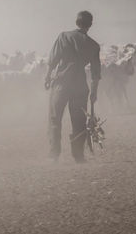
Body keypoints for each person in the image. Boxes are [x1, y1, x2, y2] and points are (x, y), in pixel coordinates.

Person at [44, 11, 101, 163]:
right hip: (80, 85)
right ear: (90, 25)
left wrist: (47, 76)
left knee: (55, 118)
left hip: (61, 83)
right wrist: (94, 92)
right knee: (79, 120)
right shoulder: (94, 46)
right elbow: (96, 74)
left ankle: (54, 154)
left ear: (77, 22)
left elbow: (53, 59)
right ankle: (78, 155)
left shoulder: (64, 36)